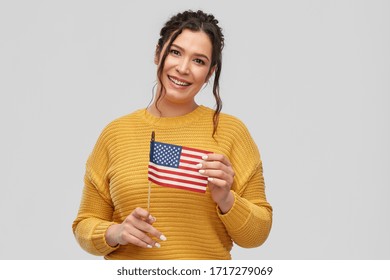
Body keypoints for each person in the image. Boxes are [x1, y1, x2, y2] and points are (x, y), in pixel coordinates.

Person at [72, 9, 272, 260]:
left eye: (199, 60)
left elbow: (258, 234)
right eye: (176, 53)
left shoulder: (232, 132)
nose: (183, 68)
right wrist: (116, 232)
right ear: (158, 54)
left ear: (210, 72)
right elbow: (84, 224)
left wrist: (226, 199)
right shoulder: (115, 133)